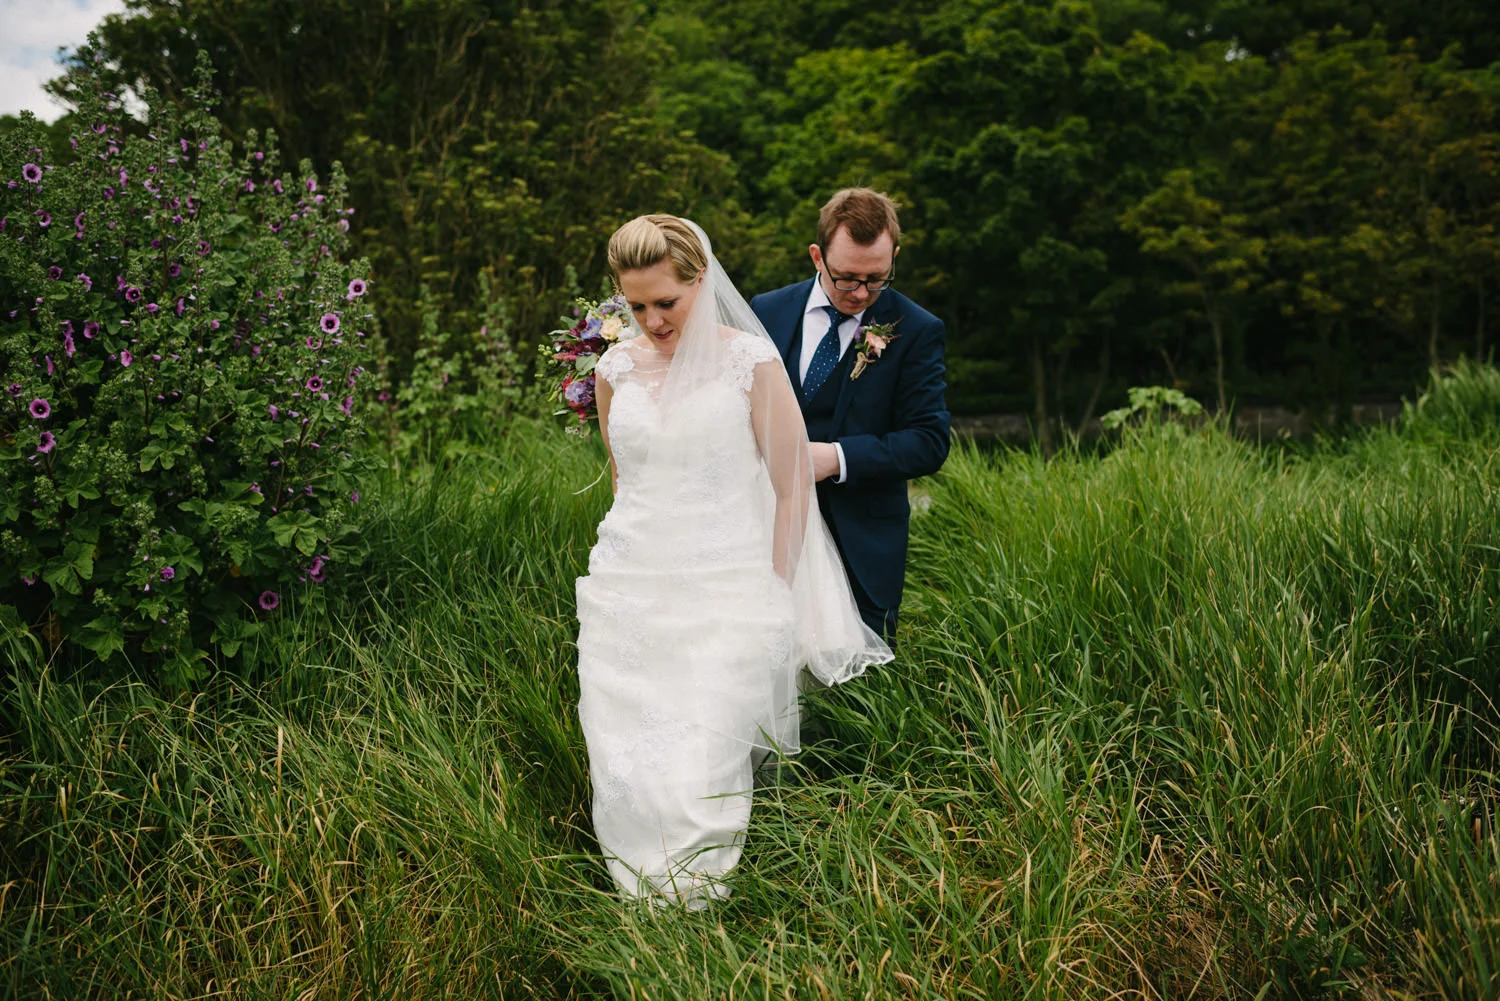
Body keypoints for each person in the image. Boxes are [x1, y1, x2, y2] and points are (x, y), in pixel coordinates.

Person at [574, 214, 891, 908]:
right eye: (636, 305)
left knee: (699, 757)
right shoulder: (613, 369)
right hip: (627, 590)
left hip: (725, 584)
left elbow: (788, 485)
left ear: (700, 280)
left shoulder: (749, 362)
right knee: (625, 757)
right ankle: (635, 900)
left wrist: (775, 591)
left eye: (667, 301)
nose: (652, 320)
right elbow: (625, 478)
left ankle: (697, 906)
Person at [750, 189, 950, 641]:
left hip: (861, 544)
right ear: (817, 256)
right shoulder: (766, 310)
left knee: (857, 695)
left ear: (894, 256)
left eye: (877, 279)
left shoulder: (918, 330)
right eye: (846, 278)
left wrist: (836, 459)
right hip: (762, 531)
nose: (861, 293)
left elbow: (929, 441)